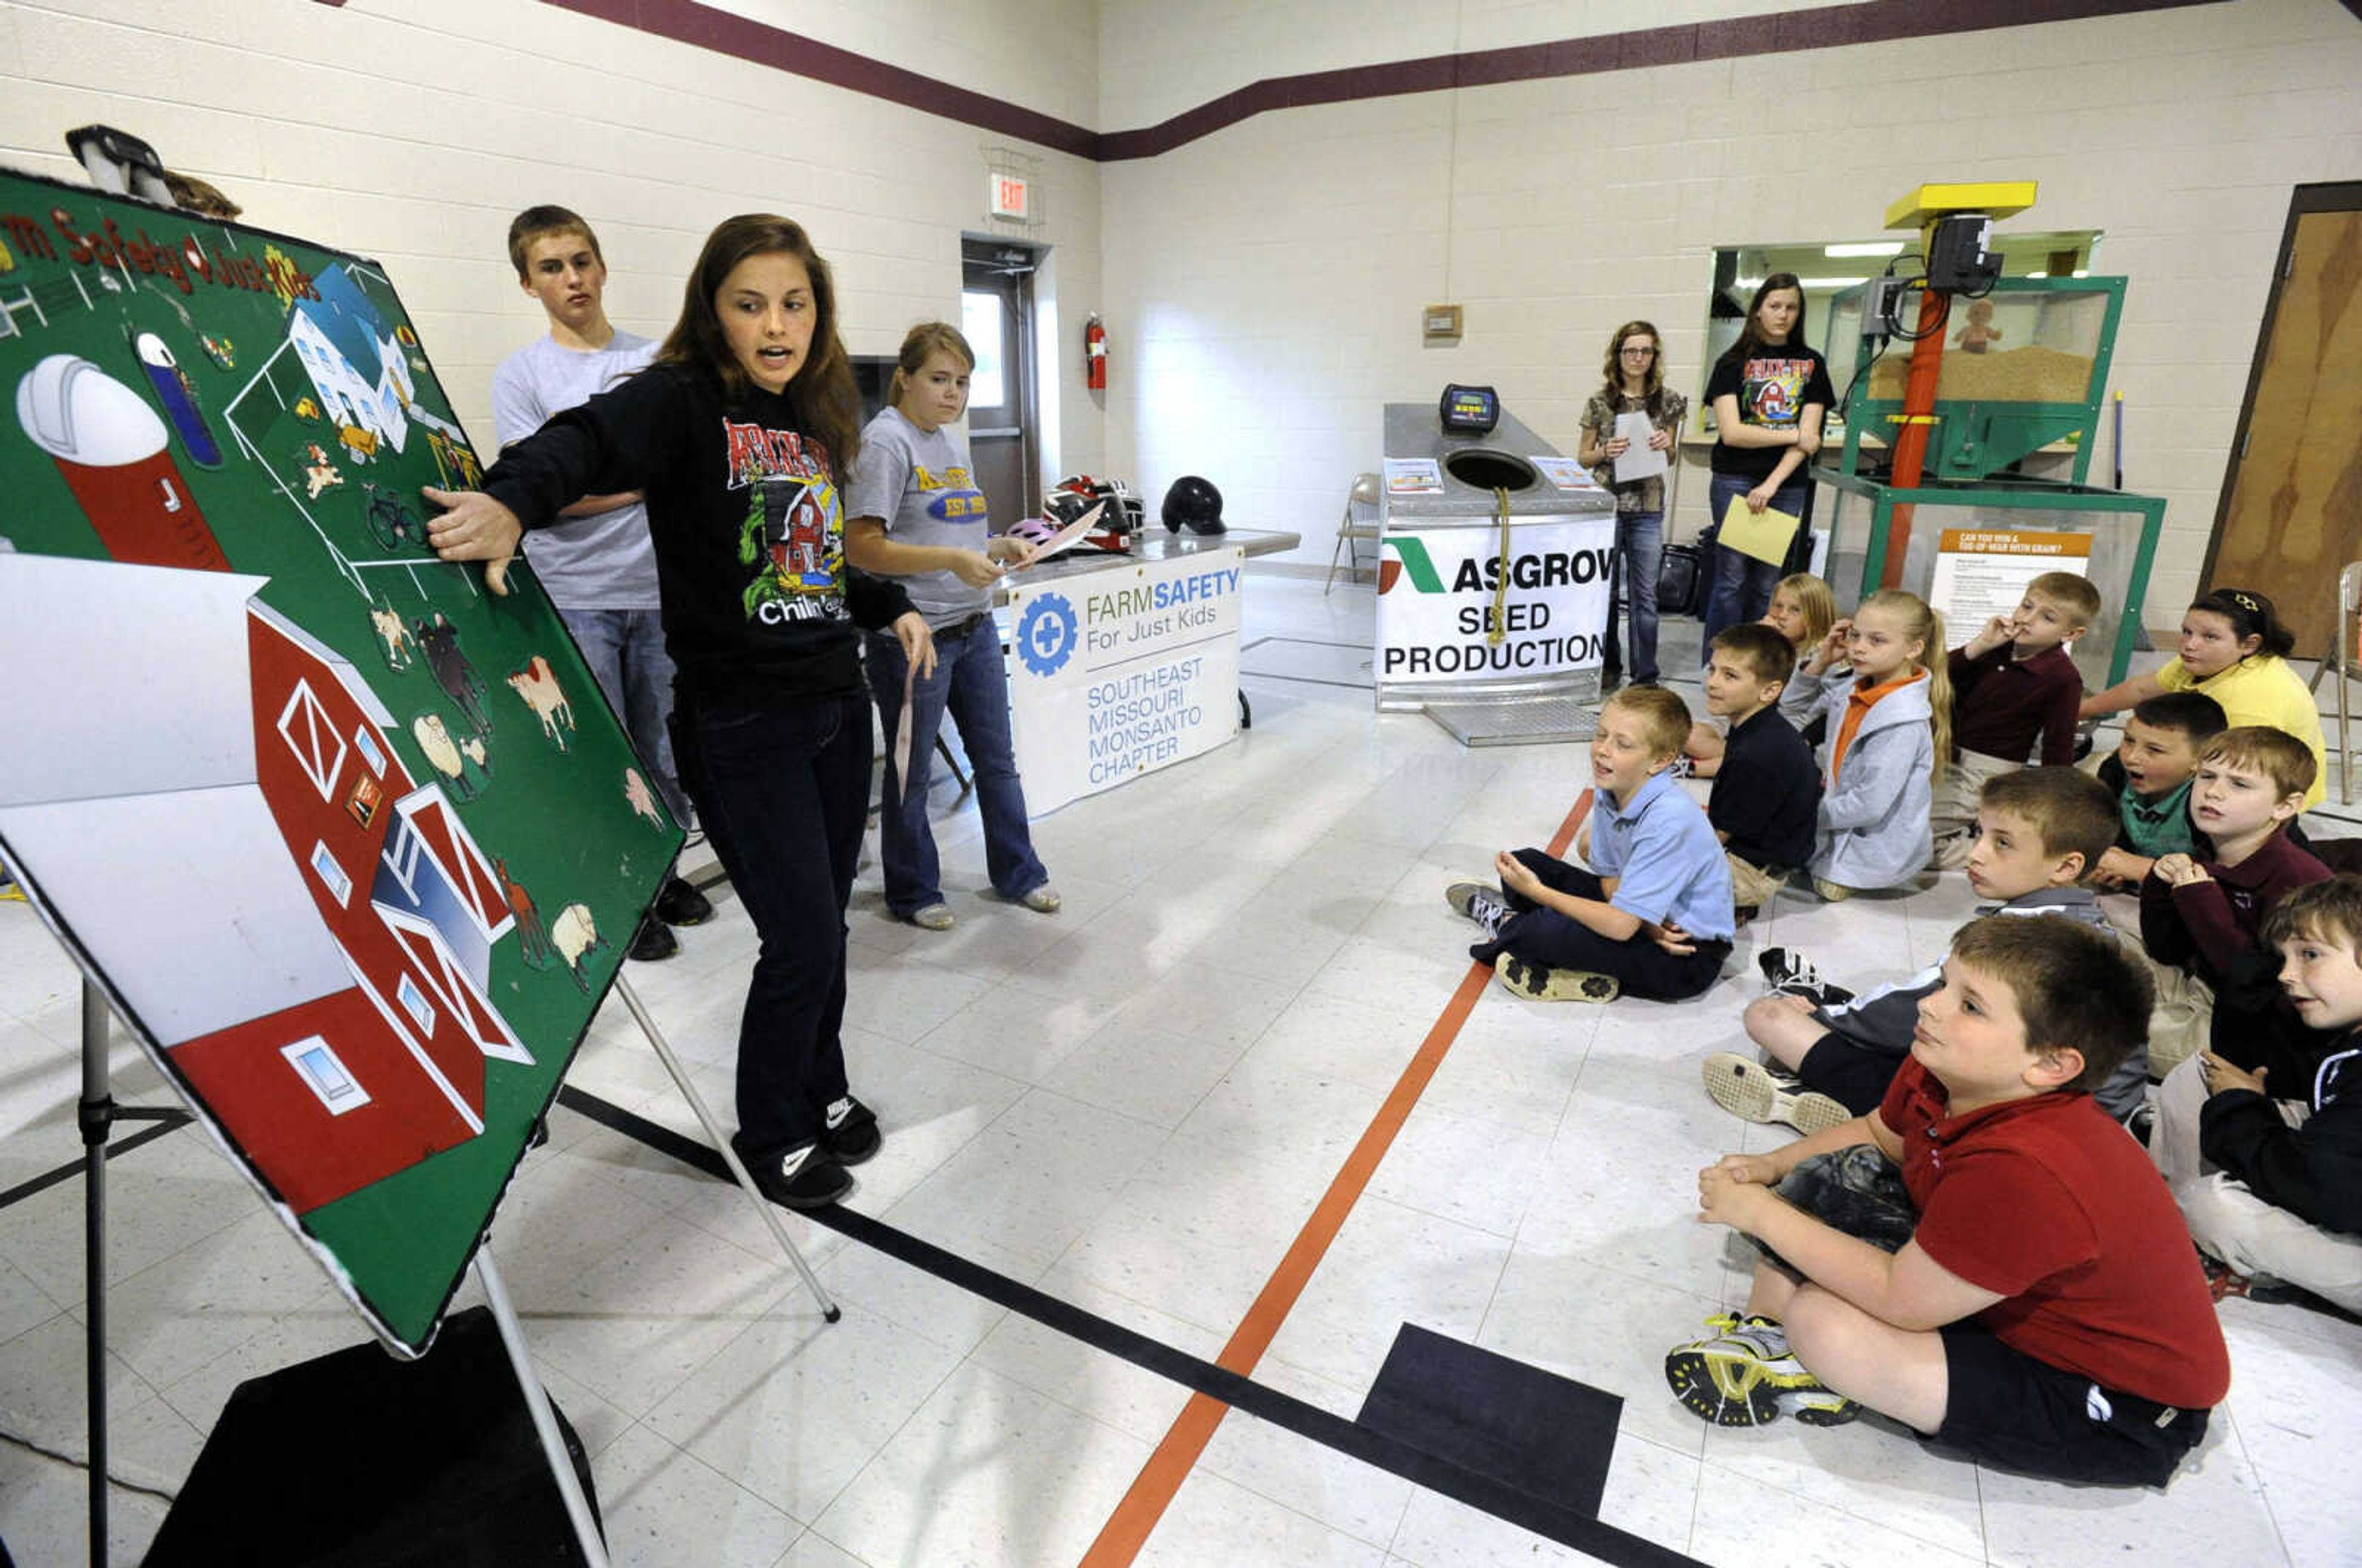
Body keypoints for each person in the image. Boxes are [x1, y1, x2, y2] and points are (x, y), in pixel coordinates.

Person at [427, 213, 937, 1211]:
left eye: (794, 303)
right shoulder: (683, 398)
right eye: (751, 303)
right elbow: (581, 440)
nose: (776, 324)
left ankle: (822, 1088)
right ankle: (772, 1128)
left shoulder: (810, 416)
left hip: (836, 704)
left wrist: (889, 602)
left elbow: (811, 560)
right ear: (716, 311)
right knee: (798, 939)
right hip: (744, 725)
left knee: (824, 924)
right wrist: (515, 501)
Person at [1666, 915, 2229, 1489]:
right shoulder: (1942, 1069)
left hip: (2121, 1404)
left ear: (2050, 1064)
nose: (1931, 1007)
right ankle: (1763, 1333)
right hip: (2004, 1301)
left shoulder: (2029, 1167)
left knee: (1824, 1321)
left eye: (1971, 1006)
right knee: (1828, 1175)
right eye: (1944, 984)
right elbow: (1879, 1135)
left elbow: (1900, 1298)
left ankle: (1800, 1353)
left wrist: (1761, 1211)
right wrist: (1772, 1167)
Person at [491, 204, 710, 964]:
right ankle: (624, 896)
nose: (572, 278)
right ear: (528, 283)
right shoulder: (522, 376)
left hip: (658, 591)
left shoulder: (656, 366)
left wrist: (622, 481)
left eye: (581, 260)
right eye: (551, 267)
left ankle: (664, 874)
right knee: (602, 758)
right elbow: (537, 492)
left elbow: (682, 474)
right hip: (575, 597)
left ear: (603, 266)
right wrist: (634, 486)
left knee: (665, 745)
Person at [1712, 766, 2134, 1133]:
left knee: (1770, 1016)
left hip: (1982, 1118)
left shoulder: (2018, 938)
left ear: (2066, 866)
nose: (1977, 853)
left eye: (2002, 843)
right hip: (2068, 1118)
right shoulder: (2092, 929)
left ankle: (1856, 1113)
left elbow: (1911, 1010)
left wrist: (1826, 1016)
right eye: (1979, 834)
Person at [843, 322, 1056, 932]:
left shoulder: (950, 444)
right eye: (939, 379)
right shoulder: (886, 443)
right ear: (905, 378)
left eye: (962, 382)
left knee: (997, 760)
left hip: (975, 626)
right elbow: (864, 548)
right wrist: (952, 561)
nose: (953, 393)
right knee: (910, 775)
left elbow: (950, 535)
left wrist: (998, 544)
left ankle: (1021, 872)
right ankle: (912, 891)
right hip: (917, 638)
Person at [2146, 875, 2362, 1310]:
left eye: (2311, 955)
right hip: (2338, 1184)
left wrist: (2242, 1106)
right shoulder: (2341, 1033)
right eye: (2285, 957)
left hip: (2339, 1201)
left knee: (2216, 1206)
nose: (2286, 973)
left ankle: (2217, 1238)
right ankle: (2181, 1228)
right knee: (2201, 1075)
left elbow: (2317, 1188)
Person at [1444, 686, 1732, 1003]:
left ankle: (1509, 925)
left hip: (1686, 955)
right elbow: (1612, 883)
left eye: (1622, 745)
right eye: (1601, 735)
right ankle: (1542, 939)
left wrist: (1541, 894)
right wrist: (1646, 923)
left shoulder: (1669, 821)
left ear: (1661, 761)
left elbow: (1621, 926)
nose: (1603, 751)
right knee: (1526, 863)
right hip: (1650, 924)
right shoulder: (1614, 786)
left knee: (1542, 928)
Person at [2137, 726, 2329, 1078]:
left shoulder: (2297, 881)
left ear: (2286, 806)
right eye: (2207, 776)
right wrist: (2160, 886)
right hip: (2202, 984)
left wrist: (2200, 900)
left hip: (2251, 1028)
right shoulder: (2211, 849)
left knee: (2105, 1032)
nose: (2213, 792)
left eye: (2239, 784)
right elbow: (2167, 950)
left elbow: (2260, 988)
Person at [2081, 587, 2326, 810]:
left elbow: (2243, 777)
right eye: (2187, 632)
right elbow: (2142, 690)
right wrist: (2083, 709)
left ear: (2250, 644)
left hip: (2265, 788)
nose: (2190, 644)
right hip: (2222, 761)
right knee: (2116, 768)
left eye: (2210, 637)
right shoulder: (2207, 660)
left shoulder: (2249, 701)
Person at [1780, 589, 1949, 899]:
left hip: (1866, 841)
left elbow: (1869, 806)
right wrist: (1821, 662)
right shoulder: (1853, 687)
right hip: (1832, 815)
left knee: (1820, 886)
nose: (1859, 648)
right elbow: (1790, 715)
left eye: (1877, 641)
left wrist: (1803, 814)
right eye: (1855, 636)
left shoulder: (1903, 722)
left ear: (1914, 649)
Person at [1700, 274, 1834, 655]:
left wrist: (1771, 484)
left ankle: (1760, 658)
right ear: (1759, 310)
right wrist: (1794, 435)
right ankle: (1721, 656)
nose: (1783, 315)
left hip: (1784, 485)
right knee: (1731, 577)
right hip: (1734, 479)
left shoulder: (1812, 363)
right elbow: (1733, 433)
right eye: (1775, 306)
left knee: (1767, 581)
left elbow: (1810, 439)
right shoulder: (1732, 363)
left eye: (1791, 307)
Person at [1927, 571, 2098, 868]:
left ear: (2071, 634)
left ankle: (2001, 852)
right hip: (1942, 750)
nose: (2028, 619)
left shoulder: (2063, 678)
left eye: (2048, 618)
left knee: (1920, 845)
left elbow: (2058, 744)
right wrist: (1980, 644)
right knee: (1901, 827)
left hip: (1986, 768)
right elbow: (1939, 678)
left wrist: (2054, 802)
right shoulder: (1997, 647)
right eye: (2027, 606)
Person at [1577, 321, 1685, 689]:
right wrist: (1605, 451)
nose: (1638, 358)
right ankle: (1608, 665)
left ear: (1654, 356)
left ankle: (1645, 676)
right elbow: (1583, 458)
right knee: (1604, 594)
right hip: (1608, 507)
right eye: (1630, 351)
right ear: (1618, 355)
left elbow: (1670, 457)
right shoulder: (1599, 402)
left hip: (1648, 508)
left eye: (1645, 351)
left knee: (1645, 596)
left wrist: (1663, 445)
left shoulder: (1668, 401)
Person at [1700, 623, 1818, 918]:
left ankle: (1730, 904)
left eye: (1730, 676)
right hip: (1761, 858)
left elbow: (1718, 838)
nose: (1713, 683)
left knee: (1620, 859)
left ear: (1769, 691)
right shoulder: (1760, 729)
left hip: (1752, 873)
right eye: (1712, 670)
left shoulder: (1757, 755)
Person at [1687, 573, 1834, 775]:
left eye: (1795, 610)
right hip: (1739, 725)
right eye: (1778, 606)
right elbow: (1709, 684)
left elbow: (1792, 710)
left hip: (1786, 733)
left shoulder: (1821, 657)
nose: (1782, 616)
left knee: (1764, 755)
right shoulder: (1763, 644)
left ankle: (1700, 768)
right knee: (1691, 736)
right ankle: (1735, 761)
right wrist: (1753, 639)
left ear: (1815, 617)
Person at [2092, 691, 2228, 889]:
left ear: (2200, 760)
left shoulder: (2215, 801)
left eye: (2154, 750)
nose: (2131, 758)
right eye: (2129, 741)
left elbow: (2232, 881)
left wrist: (2144, 870)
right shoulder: (2114, 774)